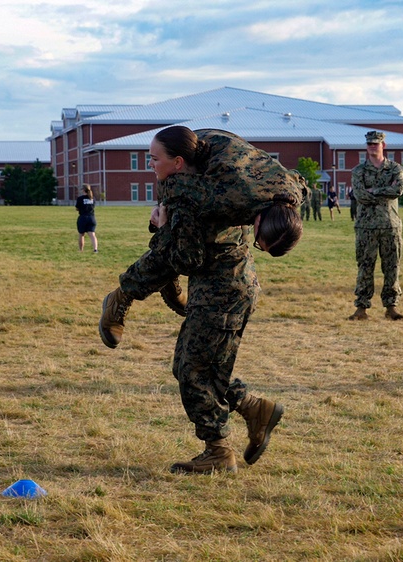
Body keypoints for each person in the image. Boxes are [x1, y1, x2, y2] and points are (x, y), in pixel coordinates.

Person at [101, 126, 300, 474]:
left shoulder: (211, 194)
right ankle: (254, 409)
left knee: (192, 370)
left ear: (178, 162)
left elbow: (183, 256)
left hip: (223, 290)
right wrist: (167, 209)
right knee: (198, 366)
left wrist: (164, 224)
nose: (150, 165)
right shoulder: (239, 180)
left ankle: (219, 450)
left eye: (154, 160)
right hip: (229, 285)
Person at [99, 127, 306, 349]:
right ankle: (122, 296)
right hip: (188, 153)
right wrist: (163, 211)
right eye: (258, 242)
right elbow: (175, 186)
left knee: (216, 243)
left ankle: (166, 279)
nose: (255, 244)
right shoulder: (227, 197)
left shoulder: (293, 191)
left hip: (219, 155)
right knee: (185, 244)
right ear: (257, 220)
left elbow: (302, 183)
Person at [349, 131, 403, 321]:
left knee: (392, 267)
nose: (372, 146)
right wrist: (384, 193)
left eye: (376, 144)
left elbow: (398, 190)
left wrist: (374, 190)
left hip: (390, 226)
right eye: (369, 144)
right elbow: (360, 195)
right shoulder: (358, 171)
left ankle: (391, 307)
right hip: (366, 226)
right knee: (365, 266)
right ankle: (361, 308)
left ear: (383, 146)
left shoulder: (395, 169)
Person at [75, 184, 98, 253]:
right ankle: (95, 249)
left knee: (81, 234)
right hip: (92, 218)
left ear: (83, 190)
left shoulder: (80, 198)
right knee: (92, 234)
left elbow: (77, 208)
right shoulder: (93, 198)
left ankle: (81, 250)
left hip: (83, 218)